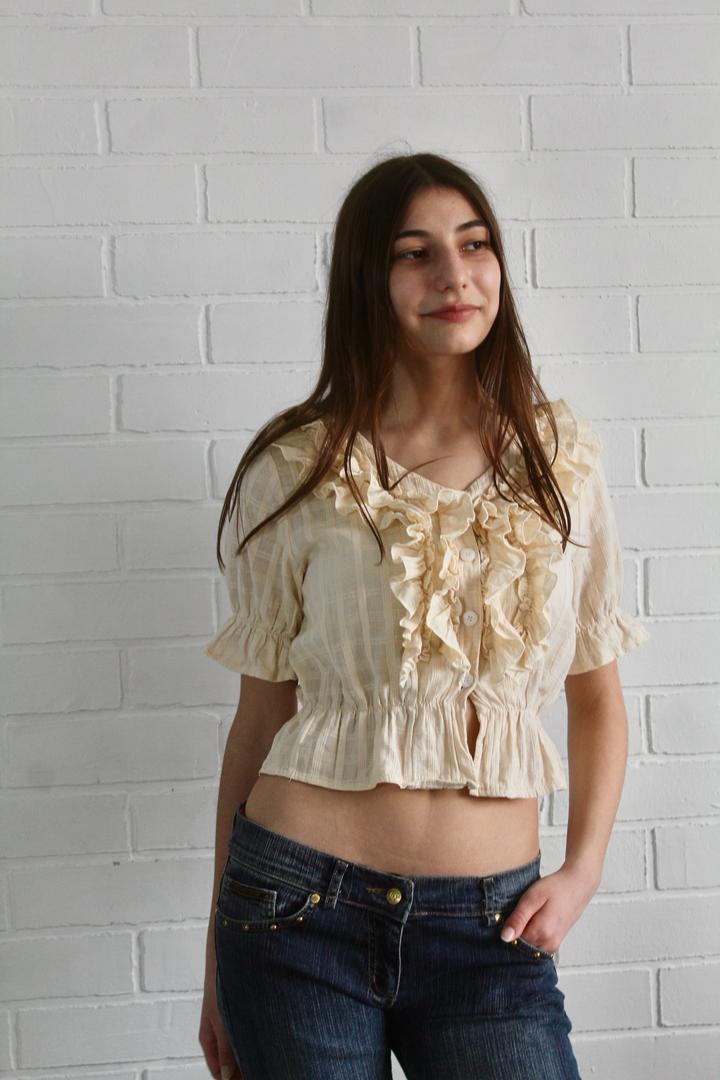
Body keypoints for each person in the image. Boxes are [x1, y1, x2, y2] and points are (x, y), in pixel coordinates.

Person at [198, 153, 651, 1080]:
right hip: (293, 915)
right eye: (416, 253)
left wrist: (582, 871)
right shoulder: (301, 466)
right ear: (368, 279)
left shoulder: (560, 461)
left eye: (474, 245)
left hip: (493, 932)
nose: (454, 275)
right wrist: (215, 956)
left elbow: (597, 697)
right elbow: (259, 717)